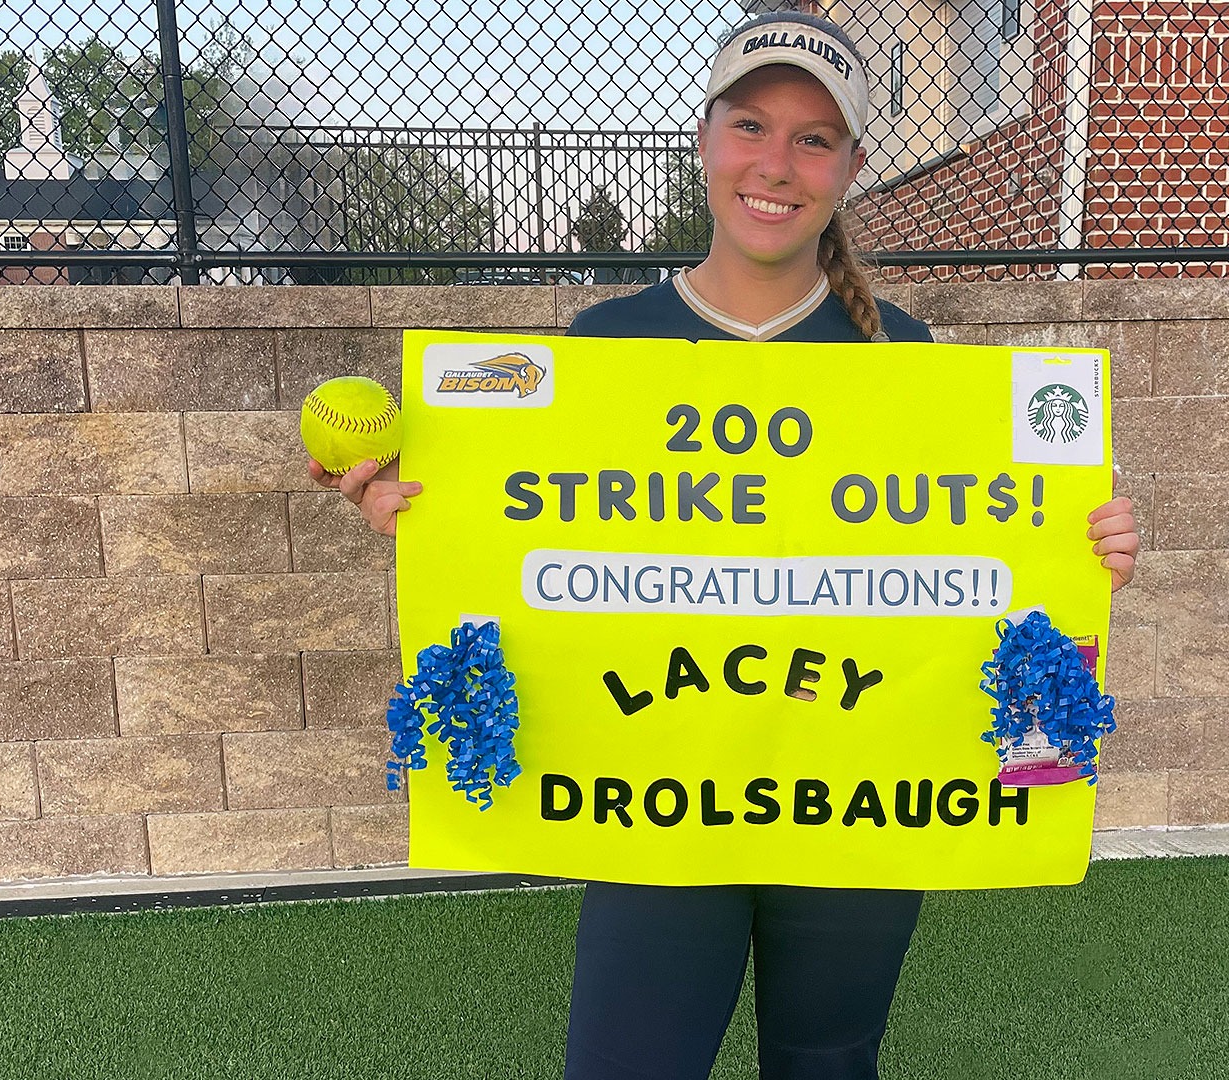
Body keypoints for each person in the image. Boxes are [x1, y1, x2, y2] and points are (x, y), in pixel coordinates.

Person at [311, 12, 1141, 1078]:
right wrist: (420, 519)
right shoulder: (605, 354)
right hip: (657, 805)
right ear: (704, 138)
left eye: (813, 137)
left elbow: (991, 574)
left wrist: (1089, 551)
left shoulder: (915, 366)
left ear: (850, 167)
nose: (776, 163)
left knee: (828, 1064)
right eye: (752, 123)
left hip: (859, 803)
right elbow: (514, 548)